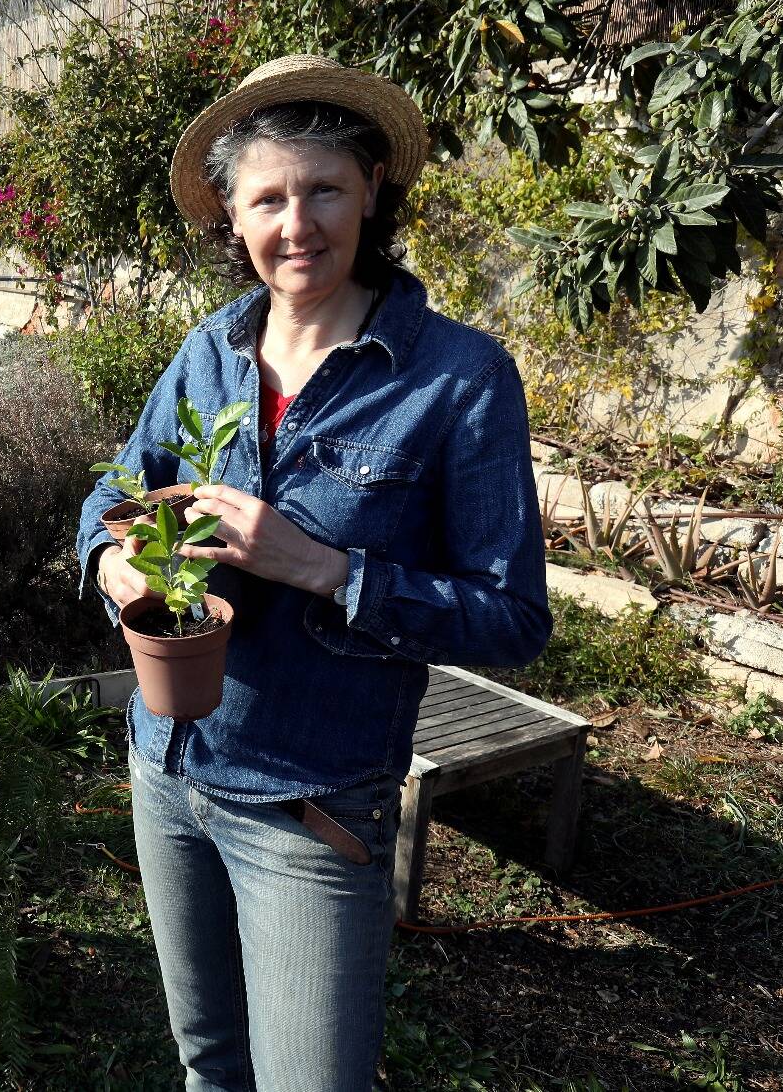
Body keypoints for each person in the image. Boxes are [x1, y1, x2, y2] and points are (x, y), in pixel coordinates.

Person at [75, 54, 551, 1090]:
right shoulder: (210, 351)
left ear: (371, 186)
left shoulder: (455, 379)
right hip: (166, 771)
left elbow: (510, 618)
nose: (297, 224)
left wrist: (323, 565)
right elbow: (114, 489)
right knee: (208, 1065)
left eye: (323, 188)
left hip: (310, 804)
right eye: (267, 198)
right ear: (233, 219)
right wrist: (114, 558)